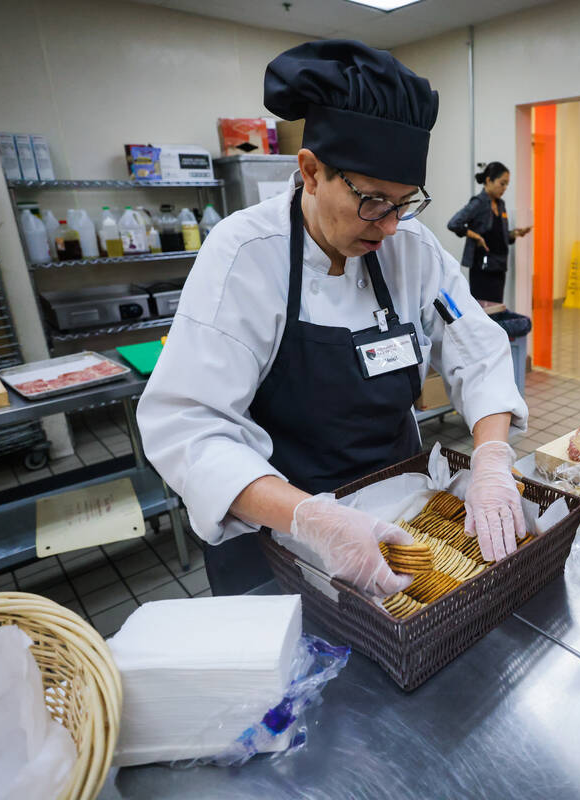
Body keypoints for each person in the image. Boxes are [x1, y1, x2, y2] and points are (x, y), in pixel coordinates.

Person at [137, 40, 528, 597]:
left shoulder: (410, 248)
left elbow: (476, 348)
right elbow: (189, 427)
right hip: (278, 530)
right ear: (311, 171)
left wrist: (490, 458)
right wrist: (315, 520)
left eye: (405, 202)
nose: (390, 226)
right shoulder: (246, 255)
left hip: (401, 510)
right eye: (372, 201)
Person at [447, 161, 531, 303]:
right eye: (502, 183)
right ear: (488, 180)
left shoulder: (501, 204)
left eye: (507, 184)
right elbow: (454, 223)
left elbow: (499, 235)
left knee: (497, 307)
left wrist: (515, 234)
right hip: (482, 268)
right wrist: (476, 236)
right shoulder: (478, 203)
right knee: (483, 311)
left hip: (499, 266)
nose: (504, 188)